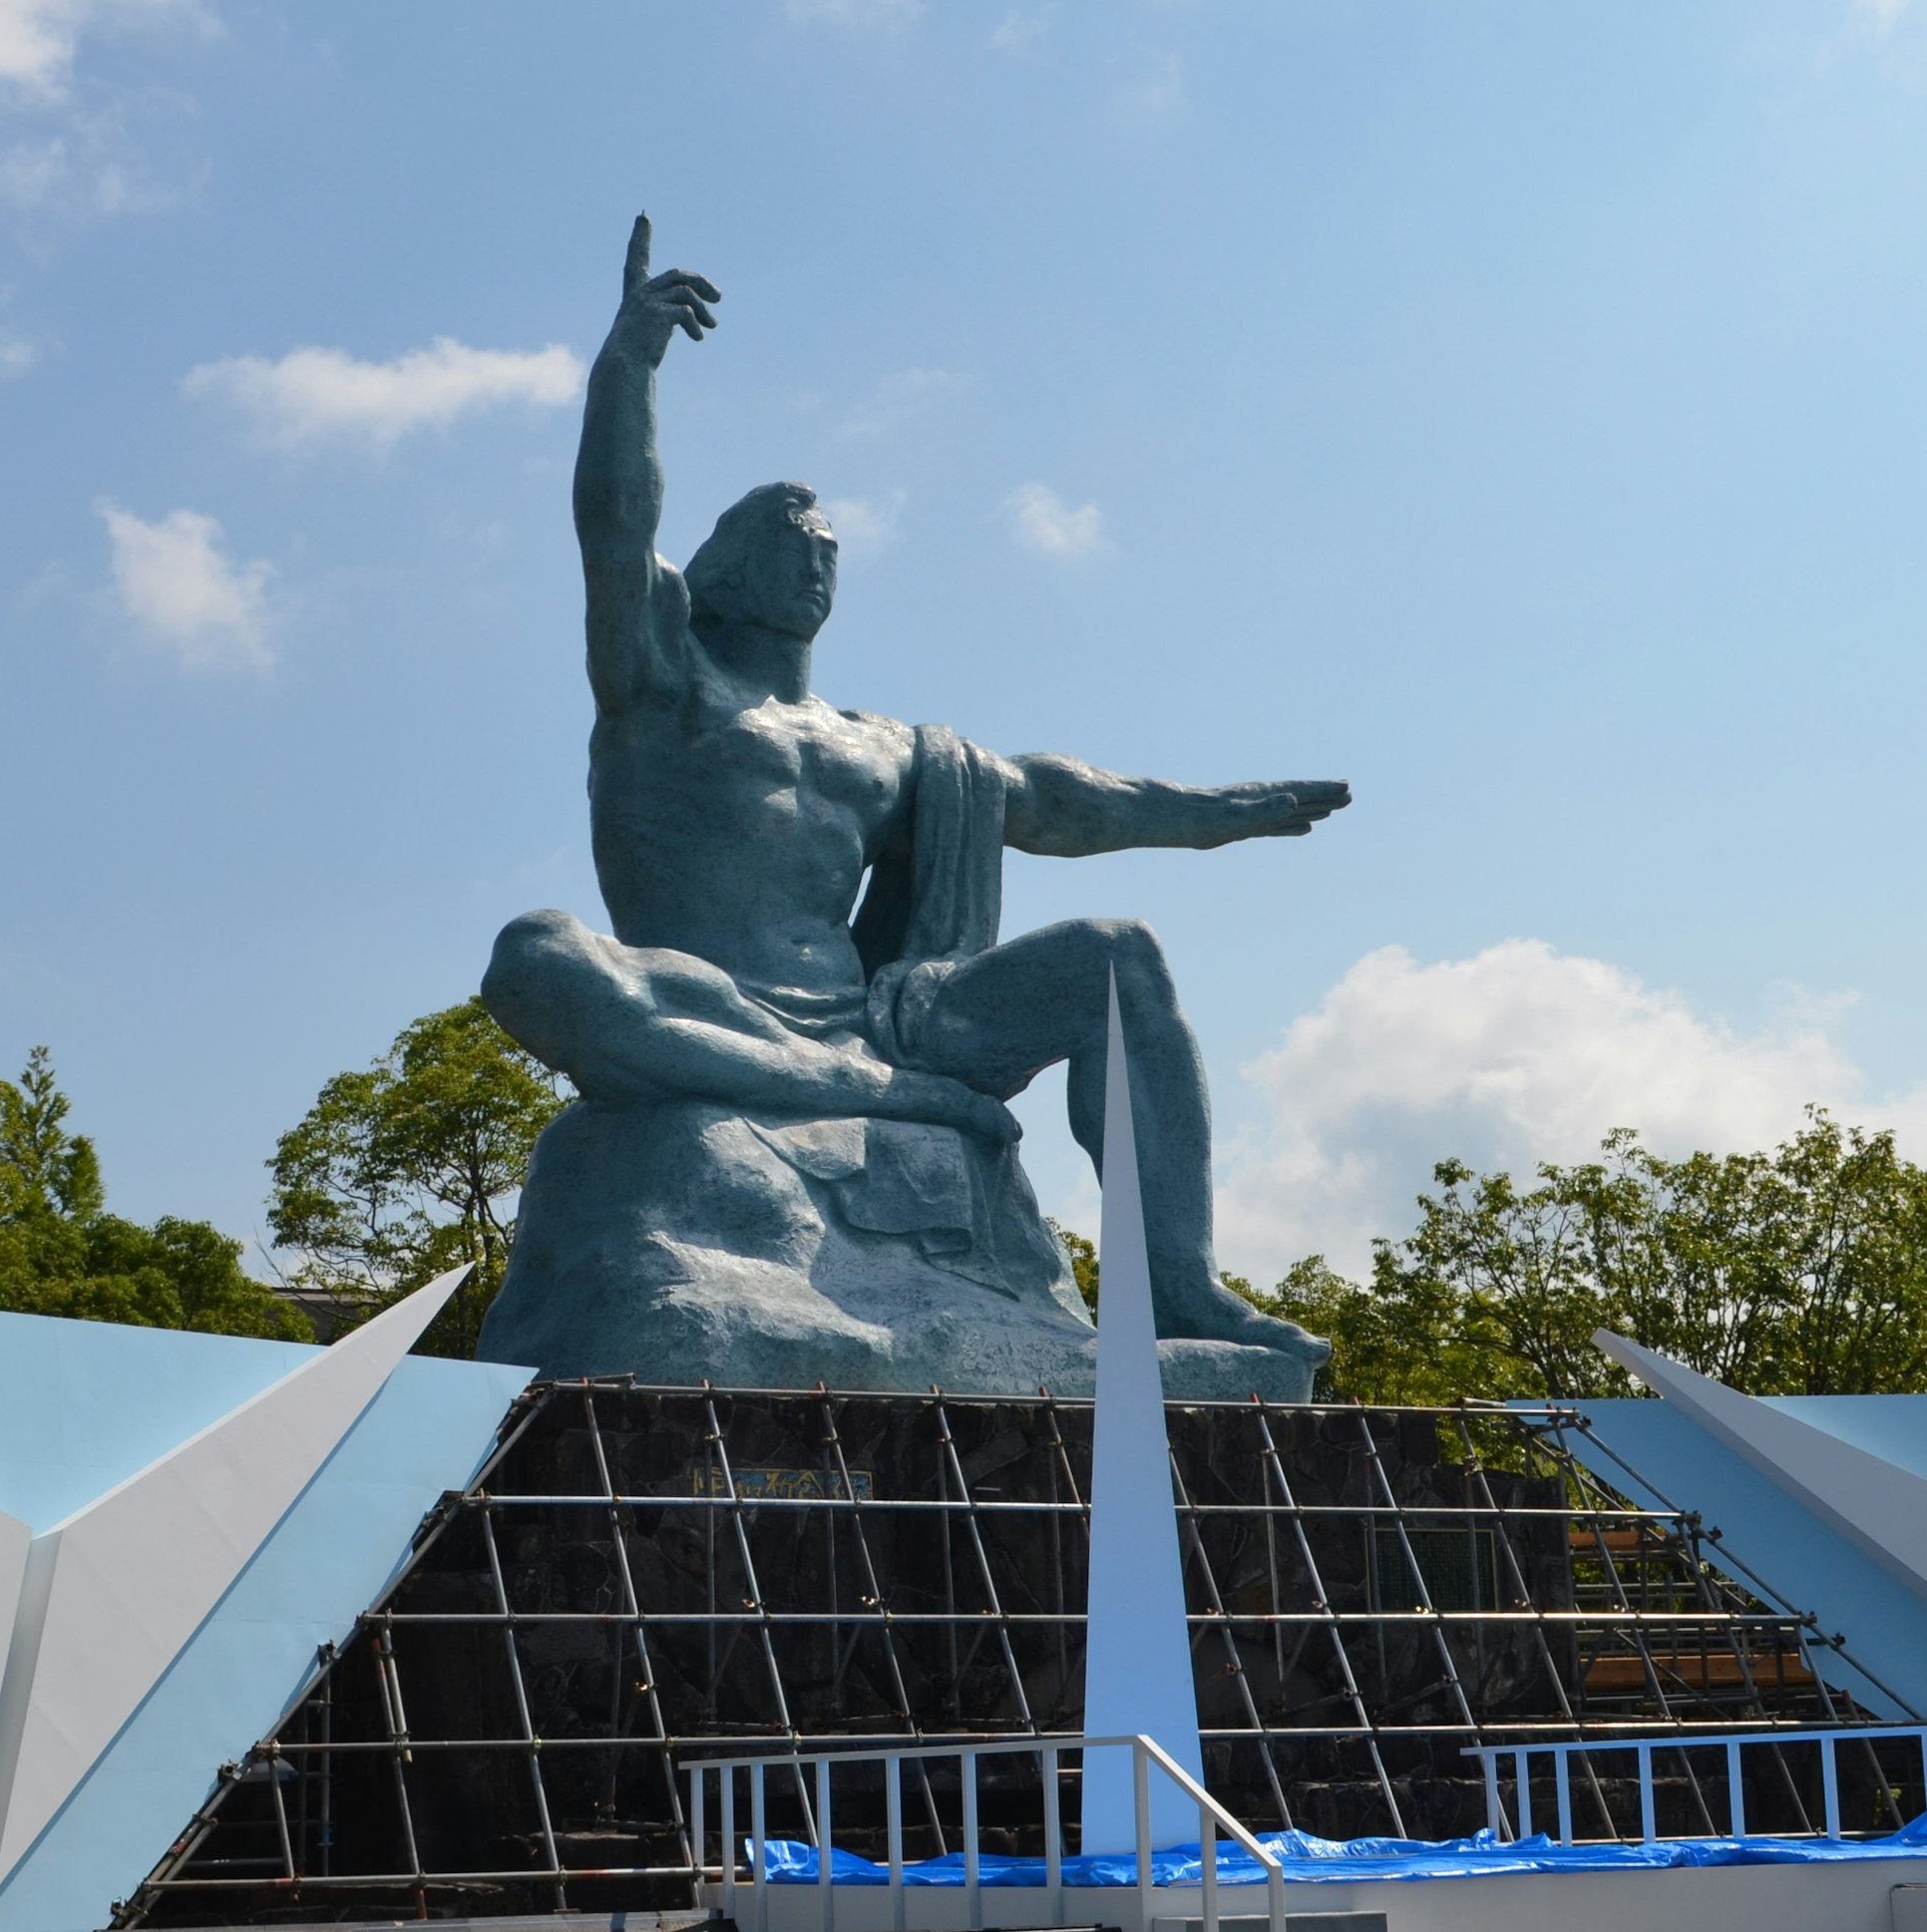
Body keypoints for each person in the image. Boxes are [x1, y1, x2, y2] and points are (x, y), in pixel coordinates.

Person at [483, 219, 1348, 1362]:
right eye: (787, 536)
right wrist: (627, 364)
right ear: (718, 571)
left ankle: (1175, 1284)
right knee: (536, 955)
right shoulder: (662, 685)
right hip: (704, 994)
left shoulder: (883, 745)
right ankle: (854, 1090)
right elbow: (614, 521)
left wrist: (1215, 817)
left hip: (887, 1019)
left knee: (1118, 958)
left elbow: (1053, 798)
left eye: (829, 540)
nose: (817, 551)